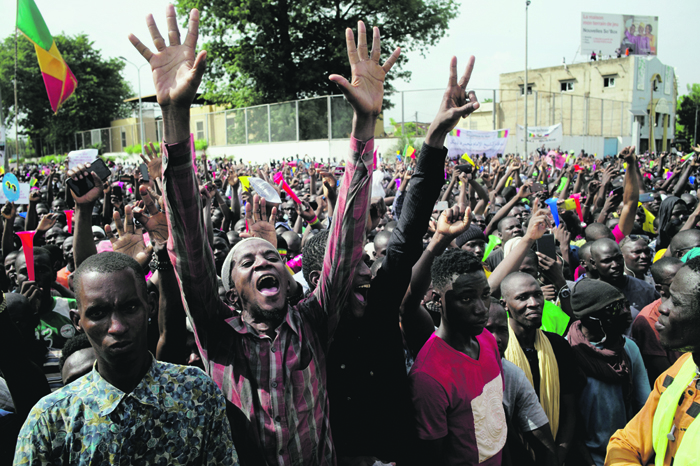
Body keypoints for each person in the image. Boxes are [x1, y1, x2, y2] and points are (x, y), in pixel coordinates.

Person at [129, 6, 400, 464]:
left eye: (270, 256)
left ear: (291, 278)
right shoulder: (218, 336)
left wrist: (364, 127)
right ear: (230, 291)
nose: (263, 262)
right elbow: (191, 254)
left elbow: (348, 237)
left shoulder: (314, 322)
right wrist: (175, 116)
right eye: (245, 261)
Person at [302, 54, 481, 464]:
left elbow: (407, 230)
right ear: (320, 278)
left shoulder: (382, 304)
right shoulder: (308, 329)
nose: (368, 270)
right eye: (355, 265)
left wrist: (434, 139)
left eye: (368, 261)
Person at [13, 252, 237, 465]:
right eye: (98, 314)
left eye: (129, 308)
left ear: (150, 305)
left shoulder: (196, 391)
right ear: (77, 321)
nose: (117, 327)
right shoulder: (50, 419)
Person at [409, 249, 506, 465]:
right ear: (438, 299)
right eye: (466, 299)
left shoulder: (487, 339)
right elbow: (431, 457)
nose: (482, 309)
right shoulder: (429, 376)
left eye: (485, 295)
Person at [605, 257, 700, 465]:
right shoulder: (683, 368)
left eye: (676, 302)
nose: (662, 308)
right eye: (665, 296)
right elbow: (625, 443)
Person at [501, 272, 585, 464]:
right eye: (522, 297)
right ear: (505, 304)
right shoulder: (499, 351)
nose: (534, 303)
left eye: (537, 295)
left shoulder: (558, 346)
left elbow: (569, 410)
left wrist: (556, 455)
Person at [567, 279, 650, 466]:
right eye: (612, 309)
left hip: (625, 454)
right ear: (590, 318)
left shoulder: (628, 348)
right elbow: (568, 418)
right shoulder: (568, 353)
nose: (624, 314)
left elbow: (645, 405)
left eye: (623, 305)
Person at [485, 302, 557, 466]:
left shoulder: (512, 374)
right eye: (488, 330)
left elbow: (545, 446)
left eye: (503, 330)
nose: (497, 339)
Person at [631, 257, 684, 384]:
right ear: (660, 288)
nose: (685, 283)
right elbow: (664, 374)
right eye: (676, 281)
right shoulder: (649, 319)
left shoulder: (691, 304)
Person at [589, 238, 659, 322]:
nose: (615, 265)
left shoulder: (647, 290)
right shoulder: (587, 294)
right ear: (593, 263)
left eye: (618, 258)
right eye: (607, 261)